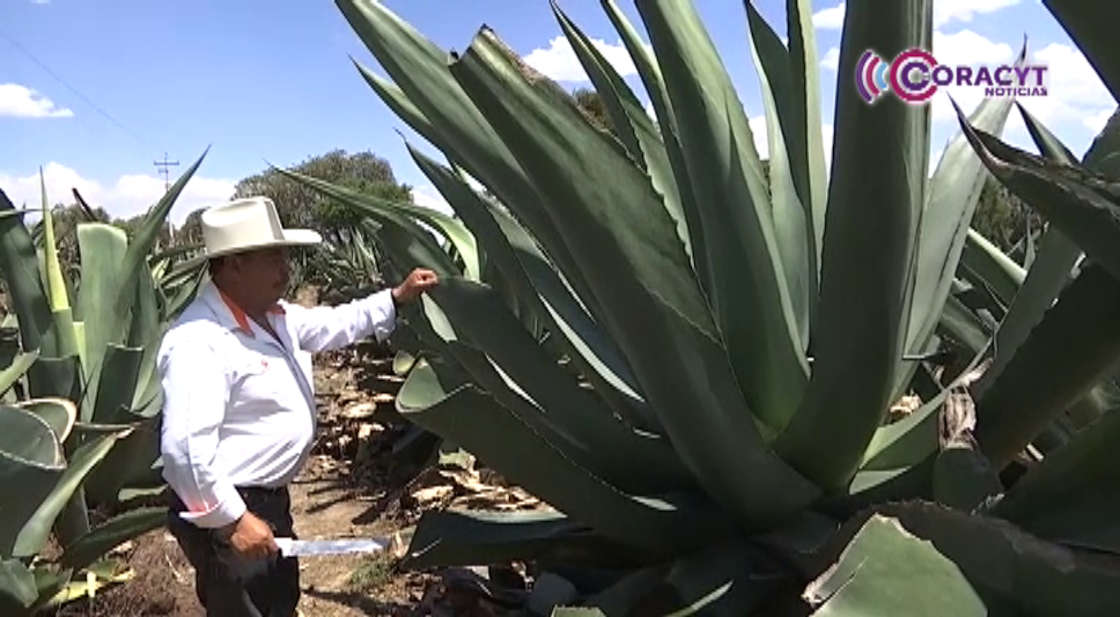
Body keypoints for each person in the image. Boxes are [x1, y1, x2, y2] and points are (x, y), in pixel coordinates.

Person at [158, 196, 438, 616]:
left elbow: (334, 324)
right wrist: (231, 520)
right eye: (272, 258)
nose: (285, 269)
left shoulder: (275, 316)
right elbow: (183, 450)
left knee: (279, 602)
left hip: (267, 500)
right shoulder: (200, 340)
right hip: (229, 508)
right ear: (233, 265)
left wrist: (397, 298)